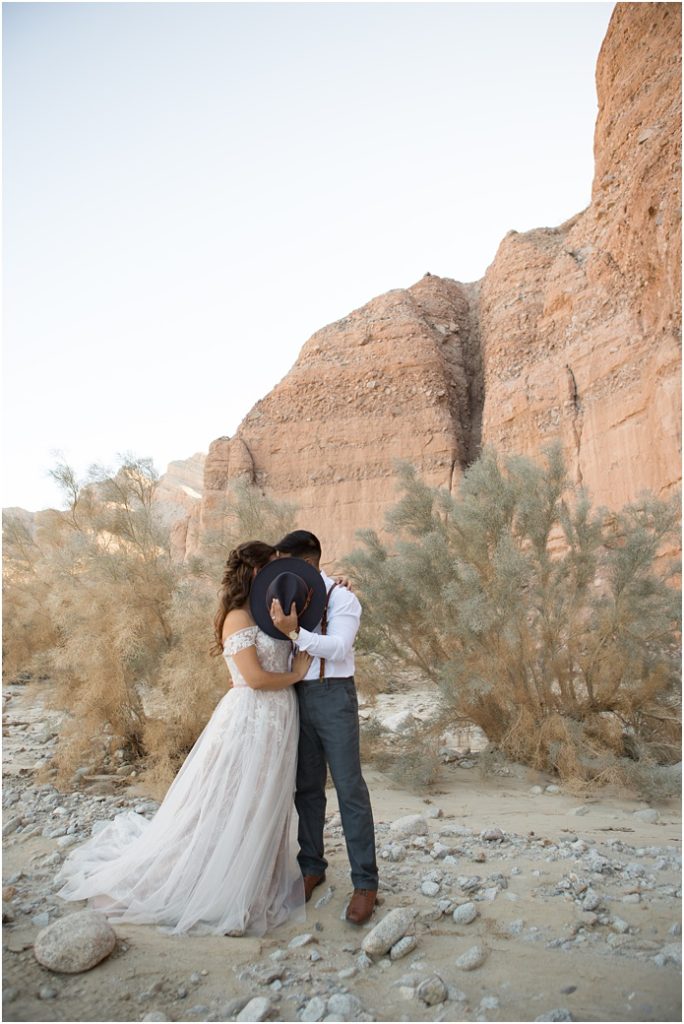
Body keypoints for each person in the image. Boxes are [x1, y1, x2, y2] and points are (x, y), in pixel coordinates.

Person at [53, 541, 316, 937]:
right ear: (253, 573)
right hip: (251, 717)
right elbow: (257, 679)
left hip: (280, 717)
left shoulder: (272, 613)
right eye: (271, 569)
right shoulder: (238, 617)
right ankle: (216, 879)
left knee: (266, 795)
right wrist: (295, 675)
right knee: (234, 796)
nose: (278, 577)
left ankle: (257, 873)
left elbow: (314, 609)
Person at [268, 529, 379, 925]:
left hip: (335, 696)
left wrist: (296, 633)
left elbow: (339, 648)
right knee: (307, 788)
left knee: (350, 789)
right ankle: (312, 866)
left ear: (308, 563)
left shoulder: (343, 597)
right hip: (297, 697)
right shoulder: (289, 596)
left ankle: (365, 883)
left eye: (287, 563)